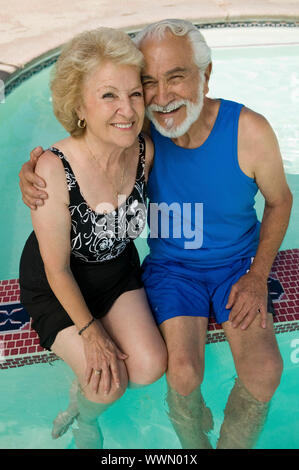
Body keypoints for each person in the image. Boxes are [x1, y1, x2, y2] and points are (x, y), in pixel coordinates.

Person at [19, 19, 293, 449]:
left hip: (182, 270)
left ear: (205, 74)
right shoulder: (118, 144)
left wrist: (258, 276)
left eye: (175, 78)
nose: (157, 99)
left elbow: (279, 200)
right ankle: (144, 432)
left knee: (234, 370)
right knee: (155, 377)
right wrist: (32, 170)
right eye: (149, 83)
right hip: (125, 277)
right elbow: (81, 153)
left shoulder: (205, 136)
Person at [18, 27, 167, 450]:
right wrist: (92, 333)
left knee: (150, 366)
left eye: (134, 94)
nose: (127, 109)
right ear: (79, 107)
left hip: (116, 274)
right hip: (57, 285)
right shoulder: (53, 171)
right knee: (107, 386)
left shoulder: (144, 152)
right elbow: (56, 267)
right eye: (108, 96)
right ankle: (85, 418)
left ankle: (83, 393)